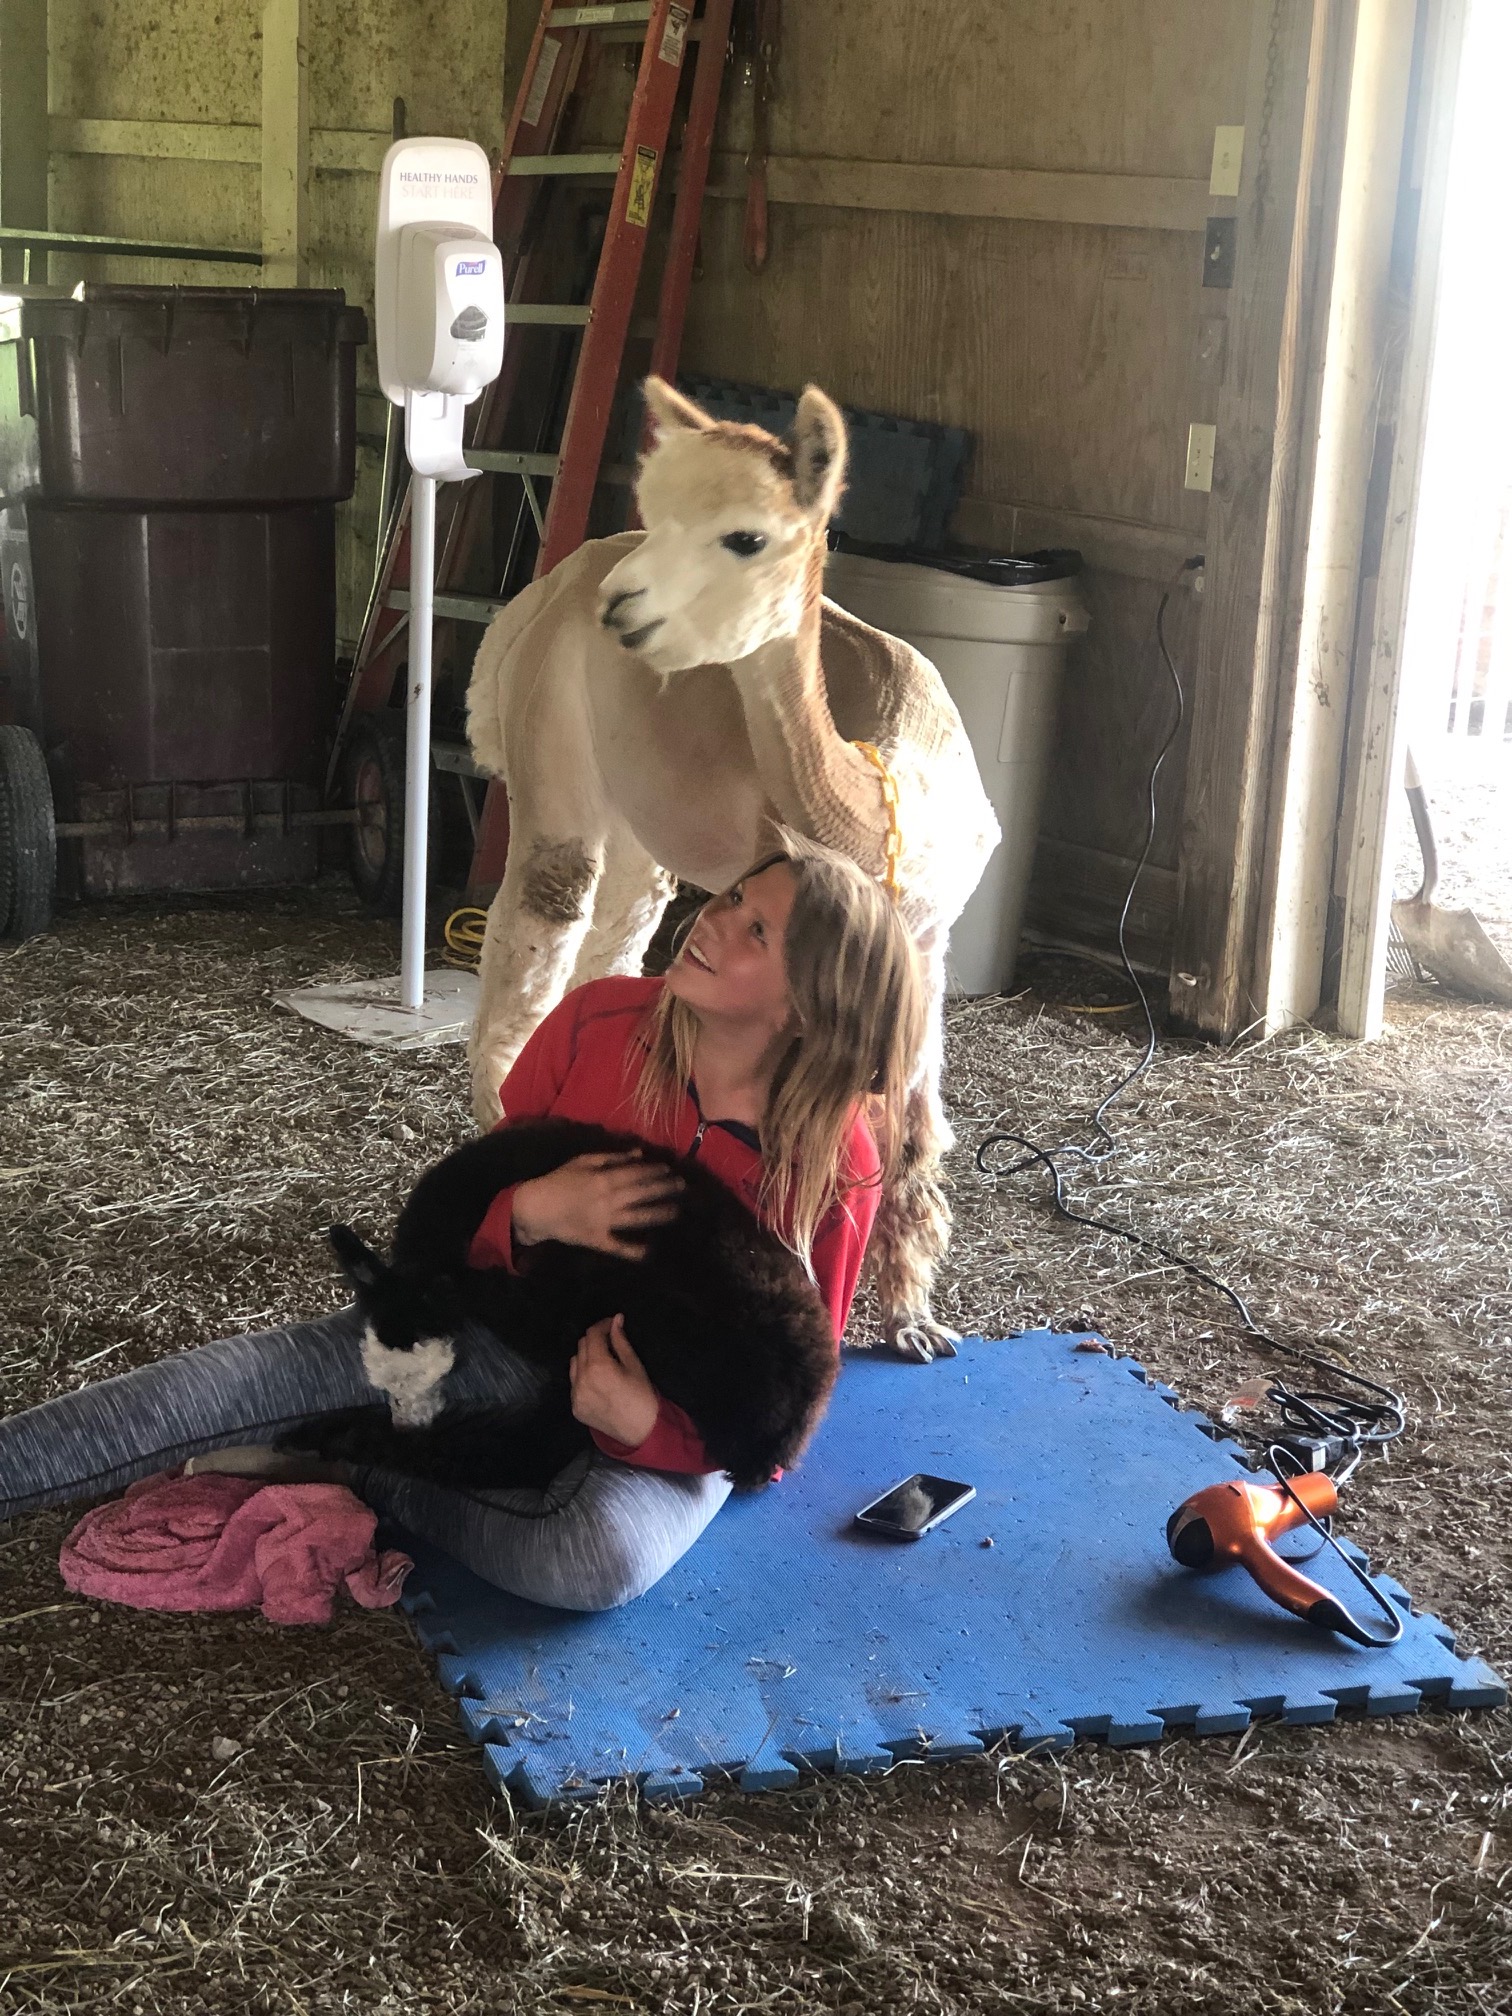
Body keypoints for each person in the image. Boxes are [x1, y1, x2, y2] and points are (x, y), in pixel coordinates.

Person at [0, 832, 926, 1612]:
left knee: (595, 1560)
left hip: (645, 1409)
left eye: (756, 929)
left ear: (809, 1003)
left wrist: (646, 1428)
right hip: (489, 1324)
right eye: (729, 896)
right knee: (231, 1383)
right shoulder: (599, 1020)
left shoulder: (838, 1163)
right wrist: (526, 1214)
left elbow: (784, 1392)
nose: (713, 919)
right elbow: (466, 1200)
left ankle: (360, 1469)